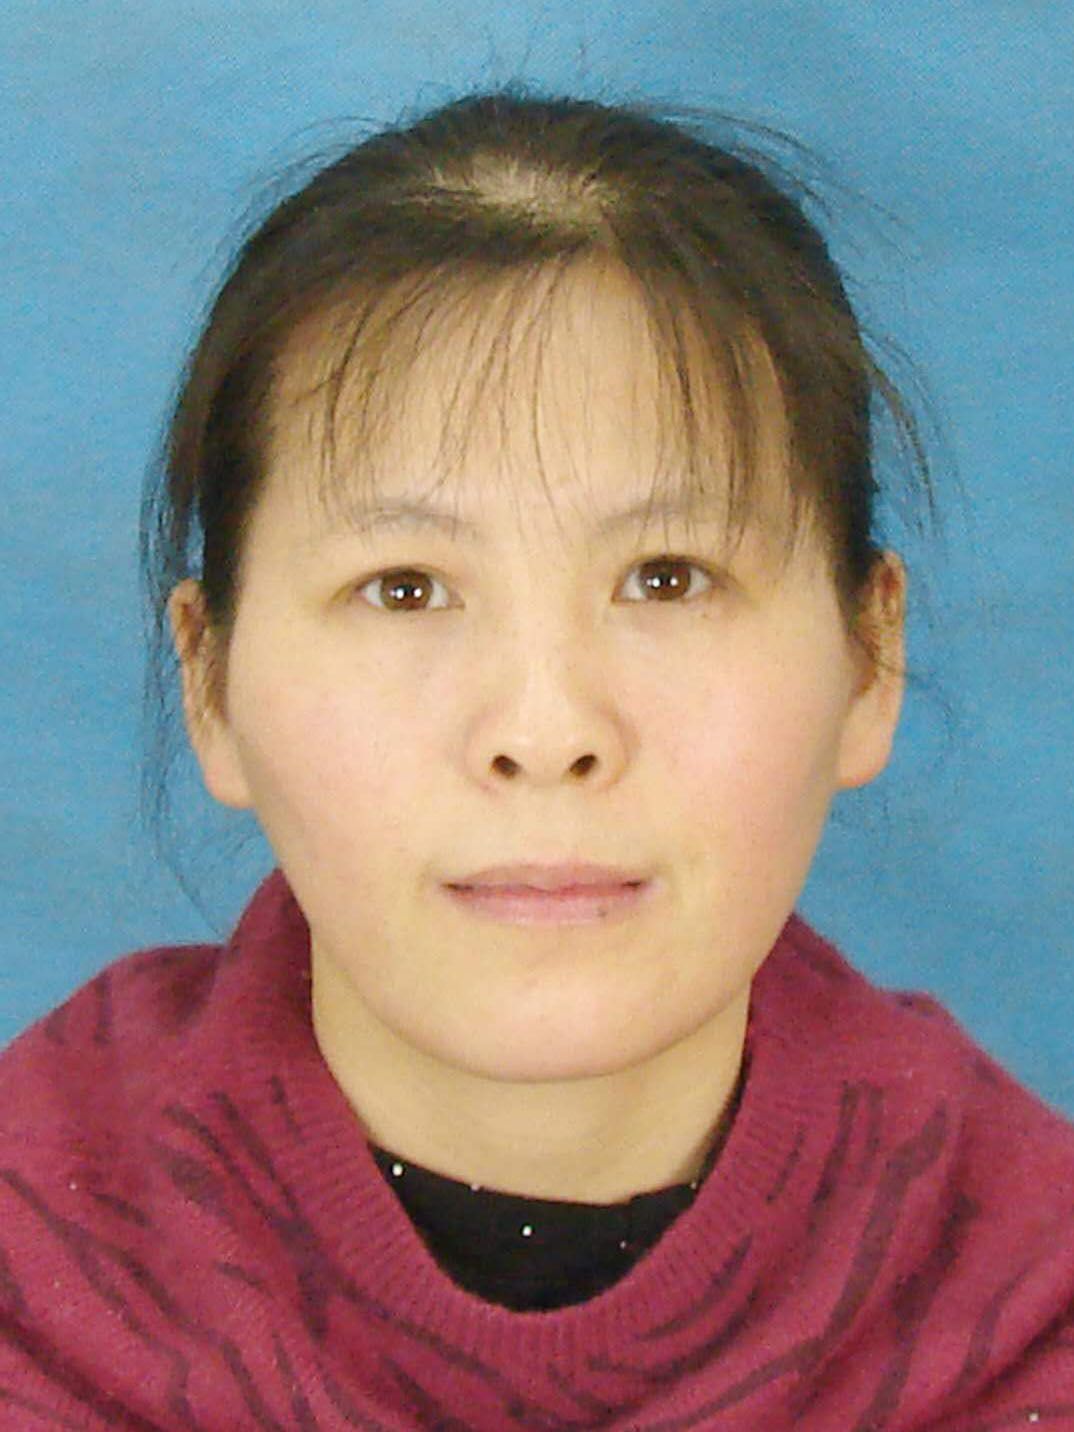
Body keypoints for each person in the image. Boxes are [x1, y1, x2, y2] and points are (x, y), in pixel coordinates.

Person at [2, 87, 1073, 1431]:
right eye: (404, 589)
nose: (545, 731)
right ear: (208, 683)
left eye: (667, 578)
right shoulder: (30, 1263)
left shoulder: (1033, 1293)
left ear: (869, 659)